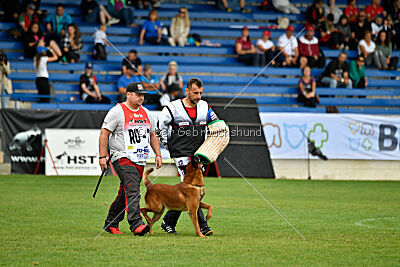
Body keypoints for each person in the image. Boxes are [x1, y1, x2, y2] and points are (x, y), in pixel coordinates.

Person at [156, 77, 219, 236]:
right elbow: (159, 127)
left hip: (199, 155)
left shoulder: (205, 106)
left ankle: (168, 221)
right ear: (187, 91)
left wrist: (217, 140)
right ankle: (203, 227)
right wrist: (168, 146)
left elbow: (216, 123)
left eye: (201, 93)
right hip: (181, 155)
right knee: (193, 190)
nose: (198, 96)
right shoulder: (173, 107)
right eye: (195, 93)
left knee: (194, 191)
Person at [99, 82, 162, 236]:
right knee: (133, 190)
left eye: (143, 95)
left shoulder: (147, 113)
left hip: (140, 159)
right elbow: (104, 133)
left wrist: (158, 154)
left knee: (126, 191)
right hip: (121, 157)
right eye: (138, 94)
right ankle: (136, 224)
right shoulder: (117, 111)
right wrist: (102, 156)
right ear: (128, 94)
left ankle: (111, 222)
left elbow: (153, 135)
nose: (141, 97)